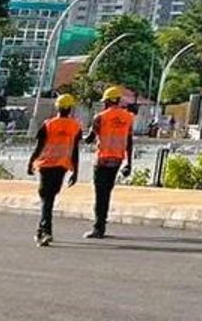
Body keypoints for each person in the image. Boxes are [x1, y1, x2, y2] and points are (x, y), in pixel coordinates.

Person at [27, 95, 83, 246]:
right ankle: (43, 230)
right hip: (62, 166)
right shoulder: (75, 127)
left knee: (47, 198)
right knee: (49, 198)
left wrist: (30, 162)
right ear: (70, 109)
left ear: (57, 107)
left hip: (46, 165)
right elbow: (75, 150)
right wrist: (75, 171)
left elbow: (39, 147)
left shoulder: (48, 124)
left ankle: (45, 231)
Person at [86, 86, 136, 239]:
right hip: (117, 160)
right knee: (106, 192)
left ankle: (98, 227)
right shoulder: (128, 117)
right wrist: (129, 163)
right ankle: (101, 224)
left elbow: (89, 138)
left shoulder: (100, 117)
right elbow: (129, 141)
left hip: (102, 160)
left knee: (100, 194)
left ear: (107, 101)